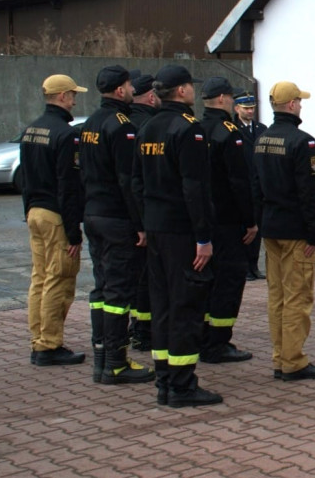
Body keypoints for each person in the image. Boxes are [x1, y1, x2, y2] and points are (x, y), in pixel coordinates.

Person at [131, 64, 221, 407]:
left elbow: (137, 182)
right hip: (182, 231)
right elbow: (194, 188)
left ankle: (165, 381)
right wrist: (203, 238)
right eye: (190, 86)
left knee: (163, 305)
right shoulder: (188, 129)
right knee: (186, 305)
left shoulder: (147, 126)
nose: (193, 91)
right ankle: (182, 386)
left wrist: (144, 222)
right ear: (182, 91)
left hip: (156, 228)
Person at [80, 65, 154, 385]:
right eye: (129, 85)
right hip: (116, 218)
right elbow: (128, 180)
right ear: (122, 89)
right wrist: (140, 224)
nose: (132, 90)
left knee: (101, 288)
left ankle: (102, 357)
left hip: (93, 214)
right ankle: (115, 363)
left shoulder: (91, 122)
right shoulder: (121, 126)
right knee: (119, 291)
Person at [253, 81, 315, 381]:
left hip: (271, 227)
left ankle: (280, 357)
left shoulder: (261, 139)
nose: (301, 105)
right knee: (297, 296)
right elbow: (308, 191)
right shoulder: (302, 142)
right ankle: (293, 361)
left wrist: (260, 221)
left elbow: (255, 187)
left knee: (277, 296)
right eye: (300, 101)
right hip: (295, 231)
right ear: (292, 104)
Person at [21, 74, 87, 367]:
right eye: (72, 95)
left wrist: (28, 210)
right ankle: (49, 346)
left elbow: (26, 177)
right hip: (56, 215)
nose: (74, 101)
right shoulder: (65, 134)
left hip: (35, 212)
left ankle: (39, 339)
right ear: (62, 96)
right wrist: (73, 233)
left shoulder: (31, 130)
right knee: (59, 279)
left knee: (40, 278)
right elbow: (68, 186)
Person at [200, 77, 258, 364]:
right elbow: (238, 181)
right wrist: (250, 221)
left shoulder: (196, 128)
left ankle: (203, 336)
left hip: (202, 219)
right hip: (227, 220)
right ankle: (218, 342)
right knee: (229, 281)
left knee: (206, 281)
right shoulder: (228, 132)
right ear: (223, 99)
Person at [126, 70, 157, 351]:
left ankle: (135, 328)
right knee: (147, 277)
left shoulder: (124, 121)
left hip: (119, 214)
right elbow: (137, 179)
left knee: (132, 278)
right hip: (142, 217)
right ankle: (144, 332)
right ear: (150, 96)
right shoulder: (146, 126)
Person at [234, 90, 268, 280]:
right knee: (244, 229)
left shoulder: (261, 128)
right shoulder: (233, 128)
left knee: (258, 227)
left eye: (252, 108)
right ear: (237, 108)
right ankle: (245, 267)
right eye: (246, 108)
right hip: (243, 181)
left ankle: (254, 265)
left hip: (258, 183)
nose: (250, 111)